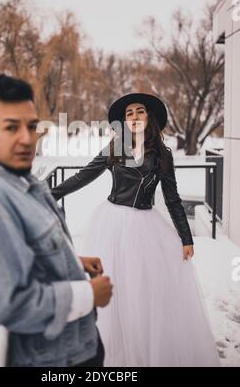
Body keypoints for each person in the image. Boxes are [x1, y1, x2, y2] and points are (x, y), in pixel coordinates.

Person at [0, 74, 113, 367]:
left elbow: (25, 249)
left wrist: (72, 261)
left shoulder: (16, 178)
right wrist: (86, 294)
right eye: (11, 127)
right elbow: (4, 306)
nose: (27, 138)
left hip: (74, 348)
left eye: (32, 126)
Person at [51, 93, 220, 367]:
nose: (134, 117)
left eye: (139, 112)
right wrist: (46, 194)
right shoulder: (115, 147)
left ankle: (141, 354)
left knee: (143, 295)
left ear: (148, 118)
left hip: (145, 228)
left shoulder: (162, 156)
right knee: (113, 290)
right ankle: (112, 355)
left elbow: (172, 198)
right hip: (111, 224)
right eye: (129, 114)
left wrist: (186, 238)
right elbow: (83, 176)